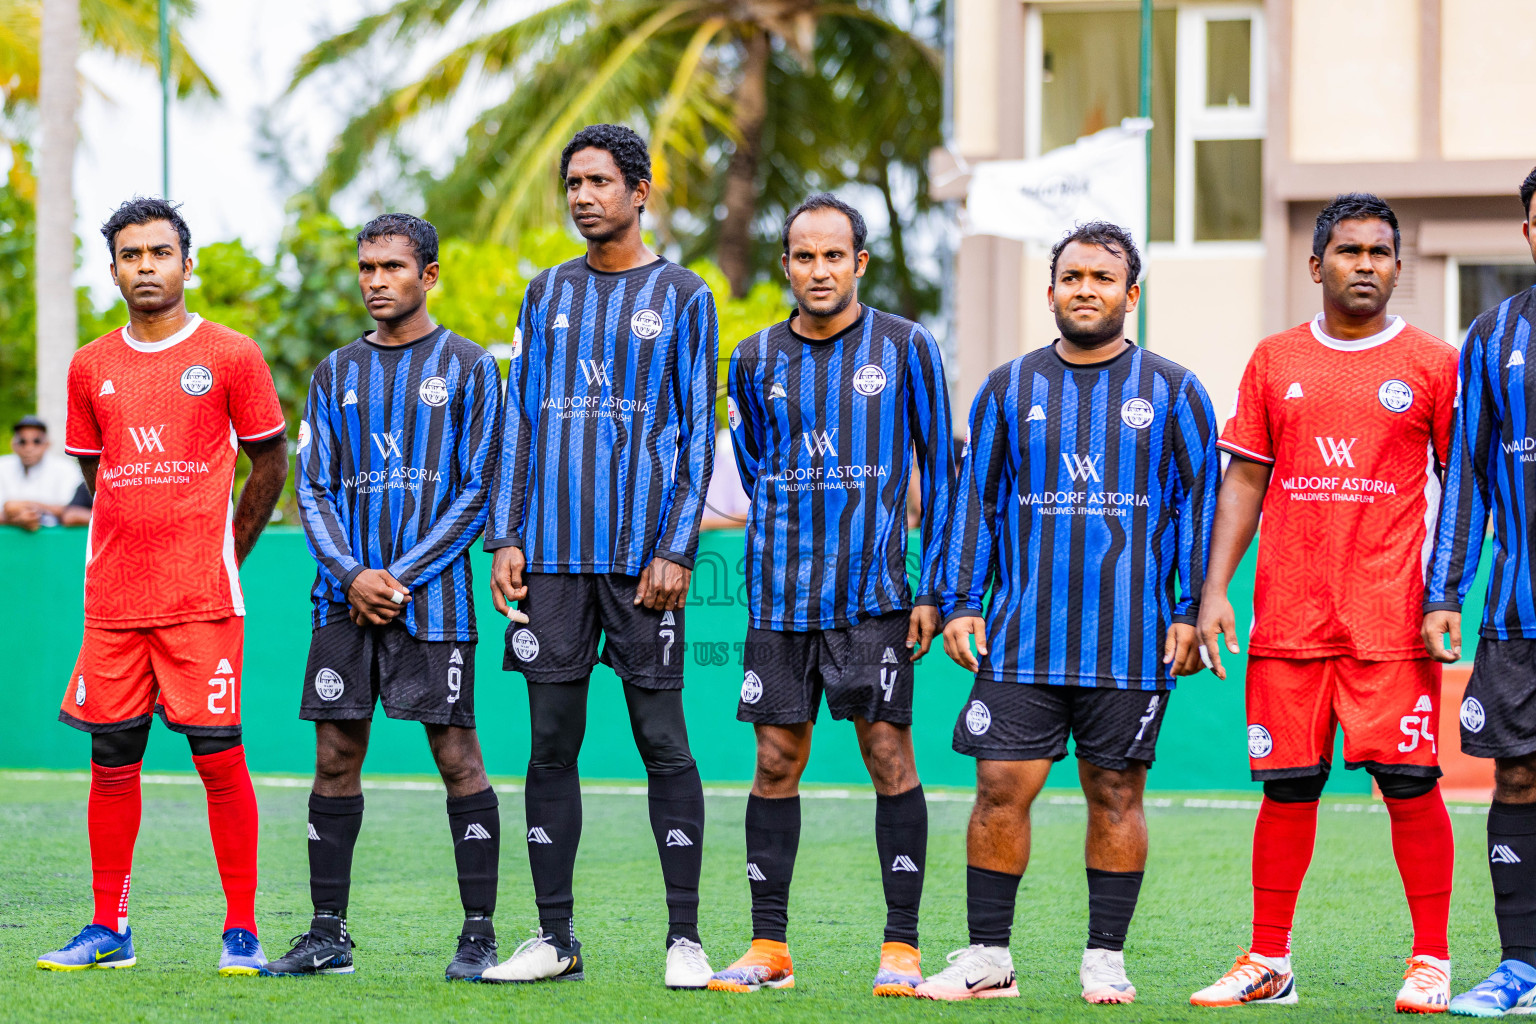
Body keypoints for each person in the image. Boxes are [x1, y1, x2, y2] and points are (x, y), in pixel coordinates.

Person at [917, 221, 1217, 1004]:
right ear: (1050, 292)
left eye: (1103, 277)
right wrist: (958, 602)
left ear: (1132, 295)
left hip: (1131, 641)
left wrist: (1188, 608)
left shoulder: (1176, 391)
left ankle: (1104, 958)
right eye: (1073, 276)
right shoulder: (1009, 388)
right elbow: (971, 502)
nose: (1087, 288)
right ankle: (989, 958)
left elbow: (1199, 509)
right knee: (997, 789)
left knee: (1116, 794)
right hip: (1021, 640)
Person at [1190, 194, 1459, 1013]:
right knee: (1288, 788)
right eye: (1349, 251)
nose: (1366, 265)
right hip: (1288, 623)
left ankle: (1432, 960)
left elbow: (1464, 489)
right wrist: (1213, 592)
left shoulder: (1434, 365)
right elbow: (1244, 479)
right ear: (1317, 265)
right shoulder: (1273, 360)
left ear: (1399, 268)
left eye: (1381, 253)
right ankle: (1269, 961)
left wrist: (1442, 593)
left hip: (1389, 621)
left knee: (1411, 784)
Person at [480, 124, 719, 988]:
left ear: (641, 190)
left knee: (663, 738)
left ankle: (684, 939)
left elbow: (699, 429)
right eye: (571, 182)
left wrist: (676, 545)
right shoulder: (544, 294)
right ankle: (555, 940)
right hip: (551, 562)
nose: (582, 196)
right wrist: (507, 536)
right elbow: (518, 421)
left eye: (599, 182)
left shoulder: (684, 295)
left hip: (640, 564)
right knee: (550, 743)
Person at [707, 193, 955, 997]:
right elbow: (751, 469)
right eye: (804, 257)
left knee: (888, 754)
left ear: (860, 264)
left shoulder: (908, 347)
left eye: (834, 256)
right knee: (776, 760)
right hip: (779, 598)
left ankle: (902, 947)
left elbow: (942, 478)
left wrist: (936, 590)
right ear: (786, 266)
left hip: (875, 597)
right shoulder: (751, 361)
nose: (819, 270)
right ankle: (768, 948)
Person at [36, 198, 289, 974]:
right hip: (113, 602)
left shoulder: (233, 355)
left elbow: (270, 464)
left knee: (219, 757)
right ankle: (108, 929)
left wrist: (228, 553)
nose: (145, 266)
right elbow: (96, 472)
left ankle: (240, 932)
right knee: (112, 760)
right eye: (130, 255)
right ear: (112, 269)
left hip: (201, 601)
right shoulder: (89, 365)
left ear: (188, 263)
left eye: (159, 252)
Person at [260, 214, 504, 982]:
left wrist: (397, 578)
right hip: (342, 601)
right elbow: (315, 488)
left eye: (392, 268)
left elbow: (478, 491)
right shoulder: (334, 374)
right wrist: (353, 575)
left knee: (456, 755)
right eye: (366, 268)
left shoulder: (469, 367)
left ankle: (478, 936)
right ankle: (327, 934)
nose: (374, 281)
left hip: (435, 607)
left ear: (428, 276)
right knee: (334, 755)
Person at [1424, 166, 1536, 1017]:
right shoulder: (1492, 336)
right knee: (1517, 780)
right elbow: (1462, 475)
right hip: (1519, 612)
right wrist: (1446, 590)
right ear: (1528, 232)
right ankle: (1522, 965)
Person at [1, 416, 90, 528]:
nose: (29, 447)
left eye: (36, 441)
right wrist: (18, 518)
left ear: (47, 444)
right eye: (22, 441)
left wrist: (15, 507)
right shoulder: (3, 466)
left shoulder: (65, 468)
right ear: (13, 445)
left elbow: (70, 510)